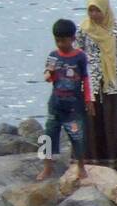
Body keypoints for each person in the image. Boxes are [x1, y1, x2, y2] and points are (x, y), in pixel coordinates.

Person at [77, 0, 117, 169]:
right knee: (92, 120)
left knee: (112, 119)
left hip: (112, 81)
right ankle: (93, 159)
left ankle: (115, 160)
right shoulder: (84, 29)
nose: (94, 15)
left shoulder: (116, 27)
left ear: (105, 9)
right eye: (91, 11)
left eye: (97, 10)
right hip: (91, 80)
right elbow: (78, 53)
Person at [39, 18, 91, 182]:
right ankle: (47, 167)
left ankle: (81, 166)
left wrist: (89, 100)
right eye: (57, 40)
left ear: (73, 39)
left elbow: (85, 79)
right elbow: (48, 77)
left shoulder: (80, 57)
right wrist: (49, 74)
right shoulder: (53, 56)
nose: (60, 44)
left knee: (77, 136)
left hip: (74, 105)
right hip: (56, 103)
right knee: (48, 134)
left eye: (64, 40)